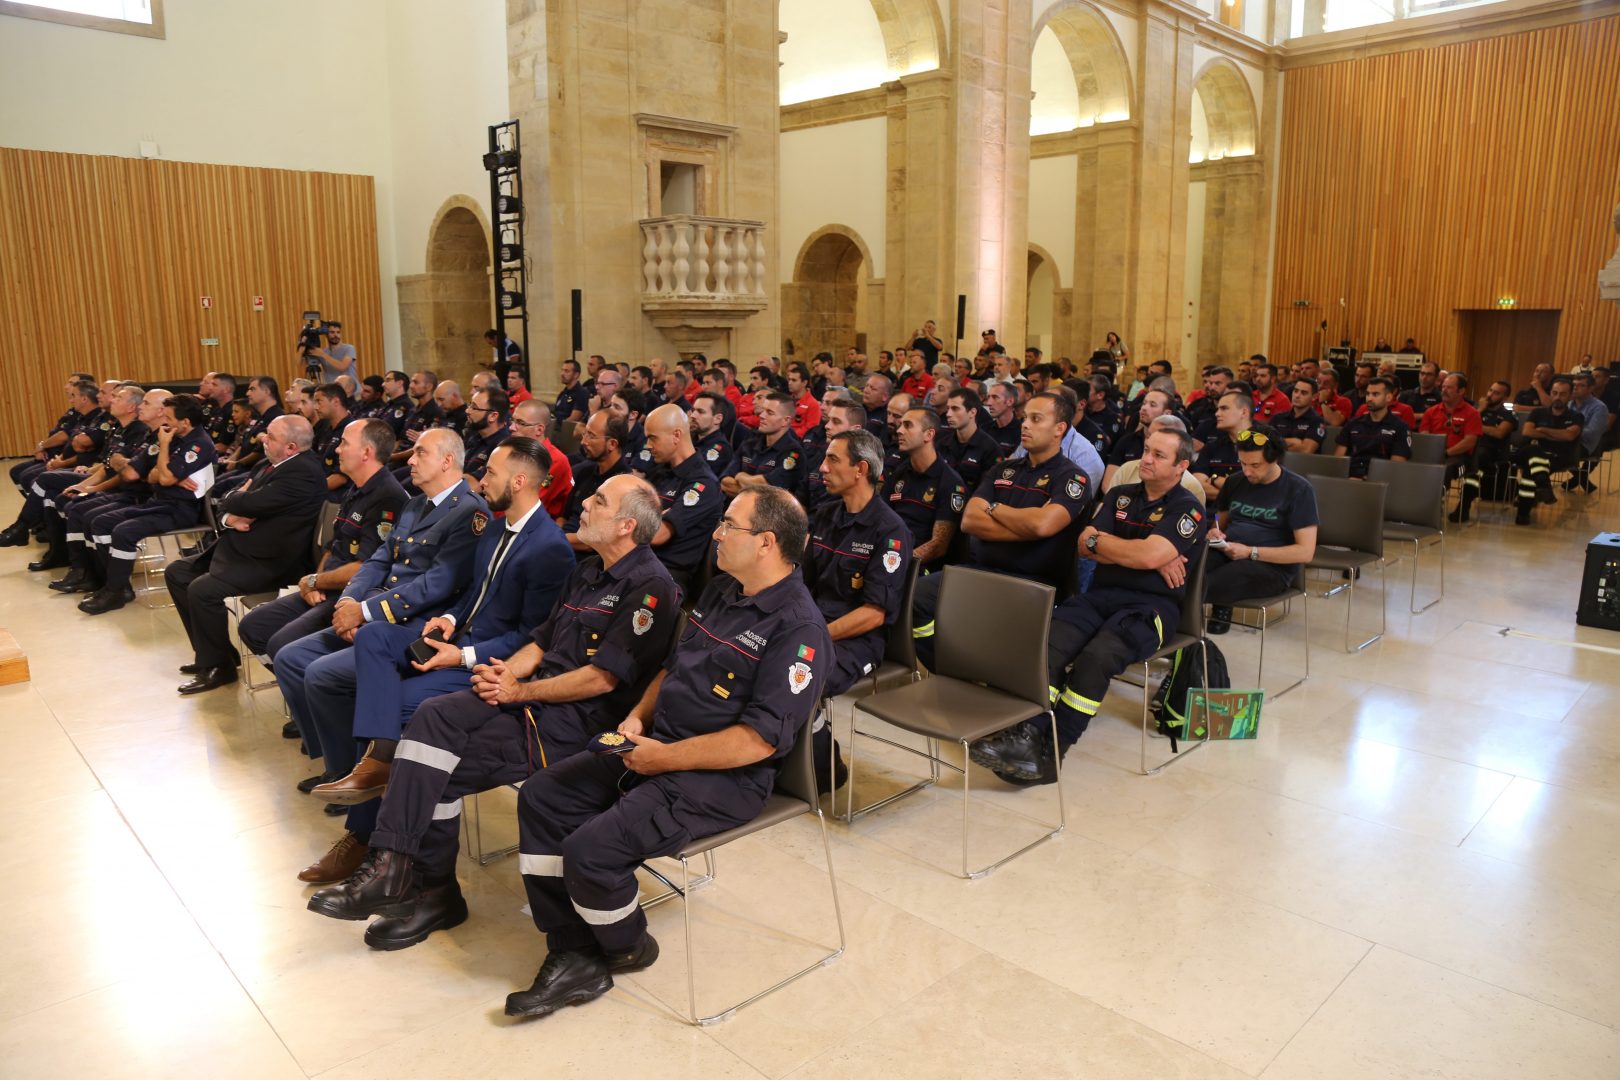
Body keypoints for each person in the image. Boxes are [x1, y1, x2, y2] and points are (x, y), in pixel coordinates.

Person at [503, 486, 829, 1021]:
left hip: (722, 778)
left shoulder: (799, 629)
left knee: (591, 851)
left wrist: (665, 758)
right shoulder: (724, 589)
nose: (716, 534)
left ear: (766, 542)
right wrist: (638, 716)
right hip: (657, 744)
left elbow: (758, 741)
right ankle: (572, 944)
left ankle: (627, 944)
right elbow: (673, 667)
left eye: (729, 525)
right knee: (543, 795)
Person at [304, 473, 677, 940]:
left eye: (599, 501)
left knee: (431, 771)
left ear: (626, 525)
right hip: (532, 698)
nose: (584, 503)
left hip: (574, 724)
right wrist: (507, 675)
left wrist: (520, 692)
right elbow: (540, 642)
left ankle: (426, 891)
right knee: (433, 717)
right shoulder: (590, 571)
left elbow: (601, 678)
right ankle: (393, 868)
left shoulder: (650, 587)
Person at [302, 438, 574, 870]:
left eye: (492, 474)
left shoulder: (550, 548)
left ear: (520, 481)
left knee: (389, 704)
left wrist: (461, 655)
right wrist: (449, 618)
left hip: (486, 662)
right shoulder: (497, 529)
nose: (481, 481)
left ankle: (365, 835)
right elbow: (472, 596)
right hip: (455, 638)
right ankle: (379, 760)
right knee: (374, 639)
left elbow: (530, 638)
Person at [969, 427, 1206, 785]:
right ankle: (1026, 735)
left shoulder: (1188, 508)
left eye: (1159, 455)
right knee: (1047, 644)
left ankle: (1053, 750)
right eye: (1146, 450)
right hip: (1099, 597)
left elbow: (1145, 555)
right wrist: (1139, 553)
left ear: (1181, 466)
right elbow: (1085, 544)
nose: (1146, 459)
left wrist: (1120, 548)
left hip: (1151, 609)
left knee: (1097, 658)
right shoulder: (1121, 495)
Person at [274, 430, 488, 793]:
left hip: (415, 628)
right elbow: (378, 559)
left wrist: (366, 613)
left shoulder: (469, 512)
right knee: (290, 658)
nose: (410, 460)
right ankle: (338, 761)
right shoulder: (416, 504)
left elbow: (435, 585)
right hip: (375, 612)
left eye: (420, 453)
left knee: (322, 675)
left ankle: (355, 773)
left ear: (447, 461)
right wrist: (348, 602)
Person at [911, 393, 1092, 670]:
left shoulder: (1072, 477)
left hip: (1031, 583)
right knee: (912, 595)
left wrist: (994, 509)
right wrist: (1027, 526)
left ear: (1059, 429)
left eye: (1036, 419)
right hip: (981, 570)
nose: (1025, 425)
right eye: (1025, 418)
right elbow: (970, 520)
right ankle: (953, 667)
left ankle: (974, 669)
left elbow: (1043, 525)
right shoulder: (1004, 469)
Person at [165, 415, 330, 690]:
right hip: (244, 549)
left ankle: (219, 667)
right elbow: (231, 497)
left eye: (271, 436)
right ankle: (214, 654)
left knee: (202, 590)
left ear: (291, 447)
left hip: (273, 562)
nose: (263, 438)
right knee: (177, 572)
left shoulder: (303, 471)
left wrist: (236, 501)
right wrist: (231, 515)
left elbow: (247, 501)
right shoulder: (270, 463)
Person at [237, 419, 409, 678]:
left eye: (344, 443)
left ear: (366, 452)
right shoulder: (357, 488)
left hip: (350, 596)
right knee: (253, 626)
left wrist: (315, 581)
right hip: (326, 587)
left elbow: (364, 568)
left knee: (281, 644)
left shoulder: (387, 497)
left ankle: (309, 686)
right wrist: (314, 582)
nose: (337, 449)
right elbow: (334, 545)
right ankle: (298, 683)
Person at [802, 429, 912, 790]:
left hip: (857, 640)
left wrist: (814, 635)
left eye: (833, 459)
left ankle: (824, 771)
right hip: (814, 625)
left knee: (798, 678)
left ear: (861, 469)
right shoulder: (826, 514)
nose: (822, 468)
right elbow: (802, 582)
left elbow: (874, 614)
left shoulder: (890, 531)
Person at [75, 395, 219, 615]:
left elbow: (164, 478)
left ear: (185, 422)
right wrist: (167, 474)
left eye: (169, 418)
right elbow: (150, 475)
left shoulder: (198, 443)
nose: (164, 422)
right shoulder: (175, 436)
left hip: (181, 509)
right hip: (160, 503)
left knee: (123, 532)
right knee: (101, 522)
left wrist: (164, 452)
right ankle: (117, 586)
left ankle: (114, 592)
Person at [1202, 424, 1319, 634]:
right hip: (1229, 550)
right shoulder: (1235, 482)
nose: (1247, 471)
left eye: (1255, 465)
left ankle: (1185, 630)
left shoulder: (1298, 490)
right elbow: (1220, 521)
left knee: (1204, 584)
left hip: (1271, 567)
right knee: (1187, 571)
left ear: (1275, 459)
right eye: (1242, 463)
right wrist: (1214, 532)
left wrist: (1250, 552)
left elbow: (1305, 552)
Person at [641, 403, 723, 588]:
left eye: (652, 438)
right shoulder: (659, 472)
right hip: (639, 563)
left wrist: (636, 520)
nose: (648, 446)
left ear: (676, 435)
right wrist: (654, 518)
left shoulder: (703, 483)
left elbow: (657, 535)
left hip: (666, 576)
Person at [885, 408, 966, 572]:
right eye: (901, 425)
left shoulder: (950, 482)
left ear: (929, 435)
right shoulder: (900, 472)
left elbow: (938, 545)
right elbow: (881, 518)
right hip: (890, 553)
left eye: (908, 425)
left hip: (919, 567)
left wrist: (897, 562)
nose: (899, 430)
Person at [1513, 375, 1584, 524]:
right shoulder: (1538, 412)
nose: (1558, 397)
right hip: (1527, 452)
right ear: (1550, 393)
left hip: (1556, 457)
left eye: (1563, 394)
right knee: (1533, 450)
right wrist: (1558, 435)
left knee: (1531, 467)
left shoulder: (1576, 416)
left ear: (1570, 396)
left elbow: (1569, 436)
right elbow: (1527, 432)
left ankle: (1525, 512)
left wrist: (1543, 430)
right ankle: (1541, 489)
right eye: (1555, 393)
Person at [560, 411, 631, 551]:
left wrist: (554, 539)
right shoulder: (583, 471)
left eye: (591, 436)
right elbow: (563, 517)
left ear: (612, 444)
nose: (583, 442)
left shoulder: (623, 485)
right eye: (585, 433)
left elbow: (594, 541)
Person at [721, 390, 803, 499]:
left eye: (770, 413)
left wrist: (740, 476)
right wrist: (755, 486)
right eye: (763, 410)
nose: (762, 415)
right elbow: (725, 482)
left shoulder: (793, 452)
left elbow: (770, 490)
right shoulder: (750, 442)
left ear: (785, 420)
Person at [1454, 379, 1516, 522]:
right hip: (1469, 448)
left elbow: (1499, 433)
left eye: (1496, 393)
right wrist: (1479, 411)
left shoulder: (1508, 415)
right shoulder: (1476, 411)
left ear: (1505, 398)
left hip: (1492, 454)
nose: (1490, 395)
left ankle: (1464, 505)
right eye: (1490, 390)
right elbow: (1459, 427)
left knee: (1478, 459)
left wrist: (1475, 426)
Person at [1335, 376, 1411, 478]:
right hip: (1350, 477)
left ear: (1388, 397)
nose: (1369, 398)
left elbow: (1396, 467)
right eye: (1368, 394)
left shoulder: (1400, 427)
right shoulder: (1353, 424)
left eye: (1375, 394)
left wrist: (1369, 480)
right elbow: (1338, 461)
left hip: (1381, 479)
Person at [511, 399, 574, 519]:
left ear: (539, 429)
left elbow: (527, 504)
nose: (512, 427)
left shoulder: (554, 460)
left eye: (520, 423)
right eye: (512, 420)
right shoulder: (514, 450)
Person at [1418, 373, 1482, 488]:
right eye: (1443, 387)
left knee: (1444, 469)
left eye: (1449, 387)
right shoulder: (1431, 411)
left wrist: (1446, 453)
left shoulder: (1472, 413)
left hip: (1459, 458)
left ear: (1461, 391)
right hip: (1433, 454)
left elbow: (1470, 442)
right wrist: (1433, 452)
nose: (1444, 390)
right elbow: (1424, 435)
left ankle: (1432, 497)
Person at [1192, 390, 1253, 501]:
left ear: (1244, 412)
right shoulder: (1211, 447)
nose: (1217, 413)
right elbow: (1197, 486)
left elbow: (1259, 489)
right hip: (1213, 510)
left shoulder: (1263, 444)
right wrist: (1235, 498)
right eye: (1218, 409)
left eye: (1224, 408)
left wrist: (1214, 479)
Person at [939, 386, 1002, 491]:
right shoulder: (941, 442)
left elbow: (988, 490)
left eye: (955, 409)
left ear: (972, 412)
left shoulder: (990, 449)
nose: (948, 414)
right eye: (948, 408)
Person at [1566, 371, 1610, 493]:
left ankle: (1542, 485)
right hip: (1566, 440)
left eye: (1581, 385)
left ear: (1591, 388)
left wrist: (1569, 432)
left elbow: (1592, 432)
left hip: (1587, 445)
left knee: (1559, 451)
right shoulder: (1569, 404)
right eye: (1574, 385)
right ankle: (1583, 479)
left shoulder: (1599, 407)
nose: (1575, 388)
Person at [461, 387, 512, 483]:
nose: (467, 411)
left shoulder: (503, 447)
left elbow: (477, 484)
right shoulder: (474, 435)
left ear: (493, 416)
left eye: (474, 408)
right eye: (469, 405)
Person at [1271, 378, 1328, 454]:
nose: (1297, 396)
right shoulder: (1278, 418)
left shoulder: (1317, 421)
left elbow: (1306, 450)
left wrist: (1276, 442)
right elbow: (1264, 443)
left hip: (1302, 461)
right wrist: (1295, 442)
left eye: (1304, 393)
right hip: (1277, 461)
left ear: (1314, 397)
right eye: (1295, 391)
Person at [688, 390, 733, 475]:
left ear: (718, 419)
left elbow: (695, 473)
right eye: (693, 410)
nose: (693, 415)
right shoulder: (691, 439)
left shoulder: (721, 448)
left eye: (701, 412)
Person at [554, 358, 590, 426]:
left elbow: (574, 419)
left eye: (566, 371)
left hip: (567, 429)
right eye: (562, 370)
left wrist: (557, 427)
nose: (562, 374)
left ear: (576, 375)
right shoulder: (563, 393)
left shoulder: (581, 393)